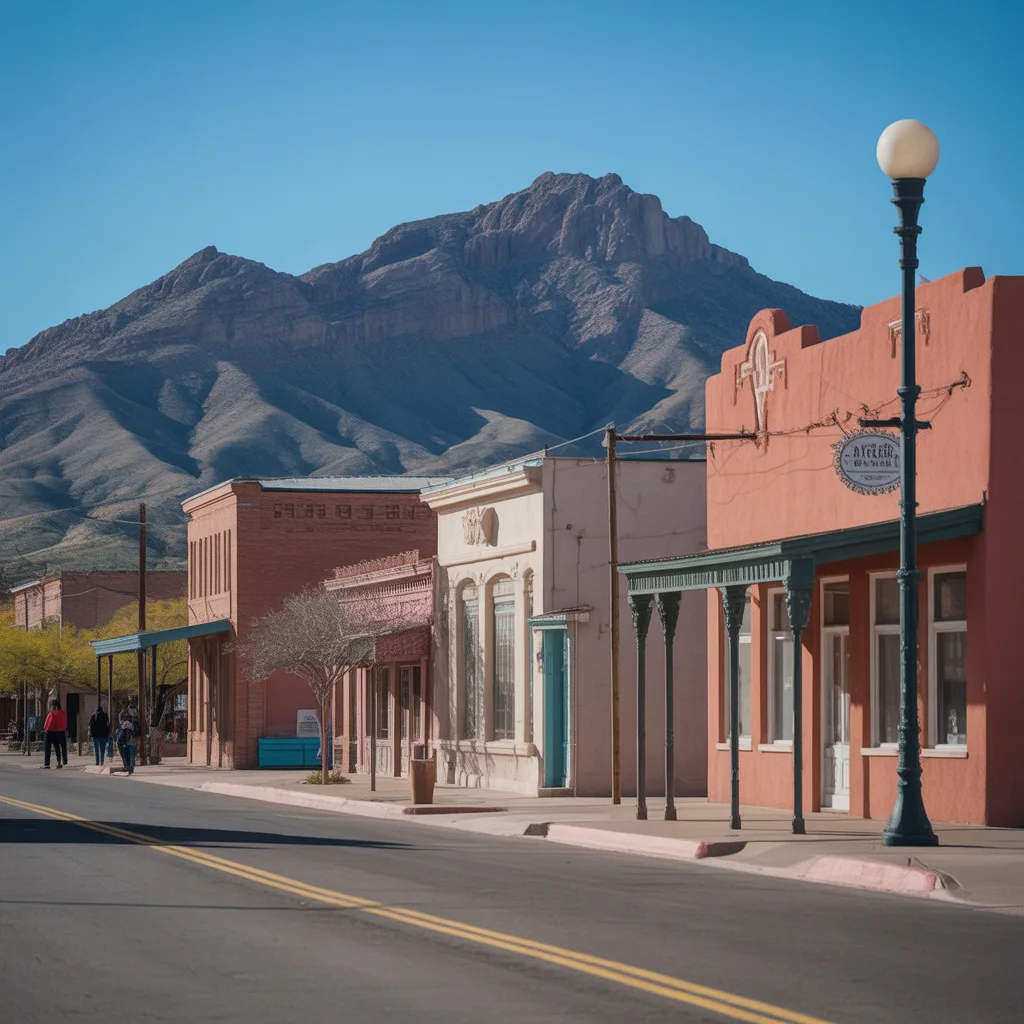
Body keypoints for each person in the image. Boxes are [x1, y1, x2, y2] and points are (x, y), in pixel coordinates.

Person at [42, 699, 68, 770]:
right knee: (58, 748)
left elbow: (46, 724)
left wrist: (45, 730)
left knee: (48, 748)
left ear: (53, 706)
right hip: (60, 732)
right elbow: (65, 724)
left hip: (50, 732)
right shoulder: (63, 713)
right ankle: (60, 762)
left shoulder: (51, 713)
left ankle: (47, 764)